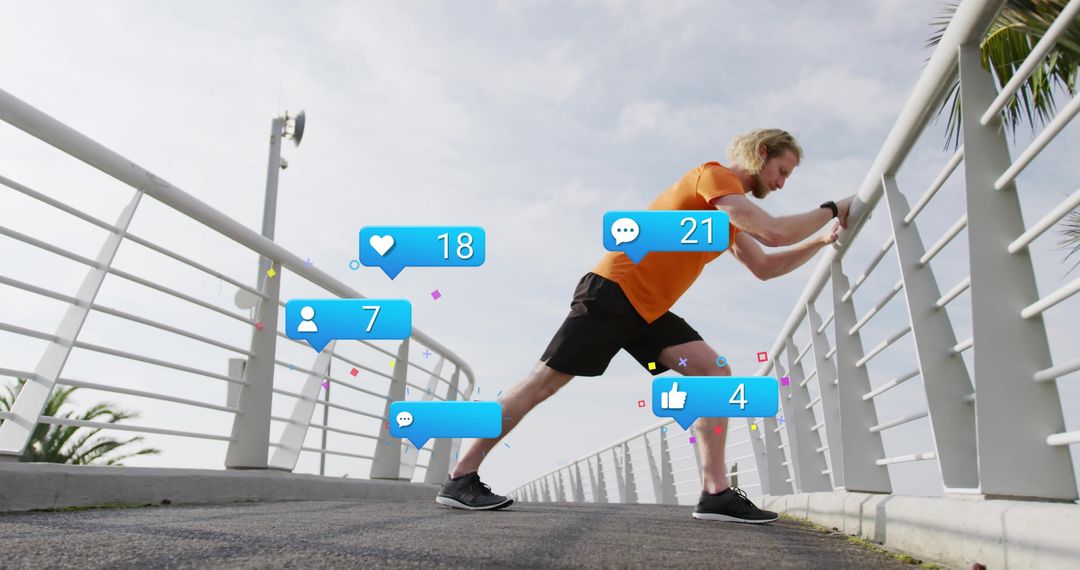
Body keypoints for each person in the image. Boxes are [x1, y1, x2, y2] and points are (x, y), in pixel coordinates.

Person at [436, 129, 853, 523]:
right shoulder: (713, 177)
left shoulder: (728, 219)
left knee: (715, 373)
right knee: (543, 382)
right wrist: (834, 208)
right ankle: (461, 477)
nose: (782, 183)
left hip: (647, 312)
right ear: (761, 153)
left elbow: (764, 266)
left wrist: (818, 241)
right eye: (782, 171)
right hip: (616, 292)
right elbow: (774, 233)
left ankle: (715, 493)